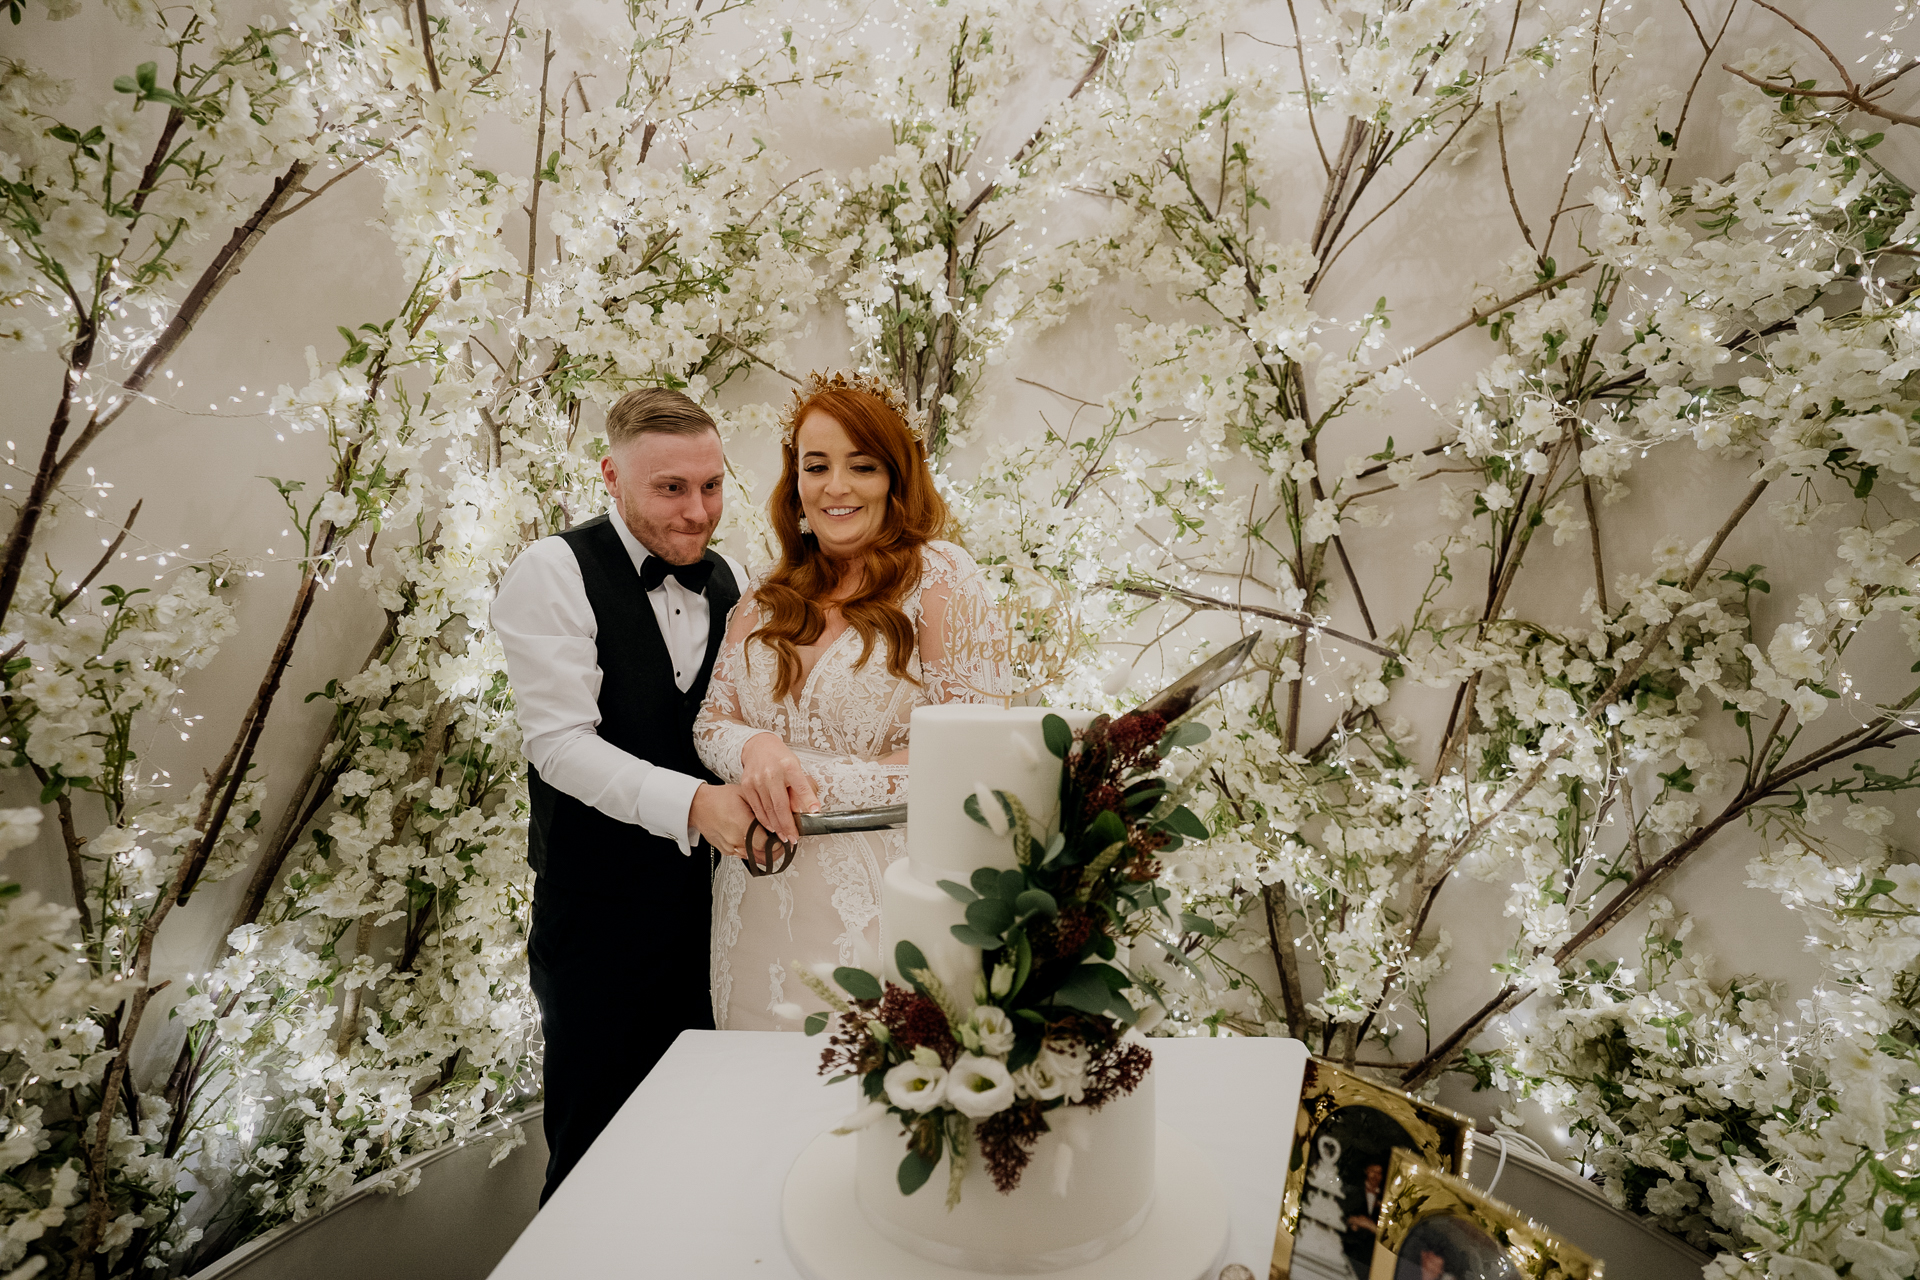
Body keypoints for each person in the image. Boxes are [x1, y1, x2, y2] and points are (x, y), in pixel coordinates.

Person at [492, 387, 760, 1204]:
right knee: (596, 1156)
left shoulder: (734, 578)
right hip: (599, 925)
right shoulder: (552, 571)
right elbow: (562, 747)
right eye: (670, 489)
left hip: (716, 921)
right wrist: (695, 806)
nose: (697, 512)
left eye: (711, 486)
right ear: (611, 476)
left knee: (704, 1147)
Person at [695, 370, 1009, 1029]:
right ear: (797, 483)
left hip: (883, 900)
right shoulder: (765, 594)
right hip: (755, 904)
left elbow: (970, 754)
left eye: (860, 465)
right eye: (817, 466)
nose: (836, 486)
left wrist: (798, 786)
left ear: (895, 478)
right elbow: (712, 720)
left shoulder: (942, 577)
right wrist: (758, 746)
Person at [1342, 1159, 1388, 1279]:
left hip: (1369, 1262)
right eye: (1373, 1171)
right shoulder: (1353, 1192)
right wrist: (1352, 1221)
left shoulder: (1386, 1200)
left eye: (1379, 1173)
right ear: (1366, 1171)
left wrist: (1371, 1227)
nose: (1375, 1176)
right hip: (1346, 1252)